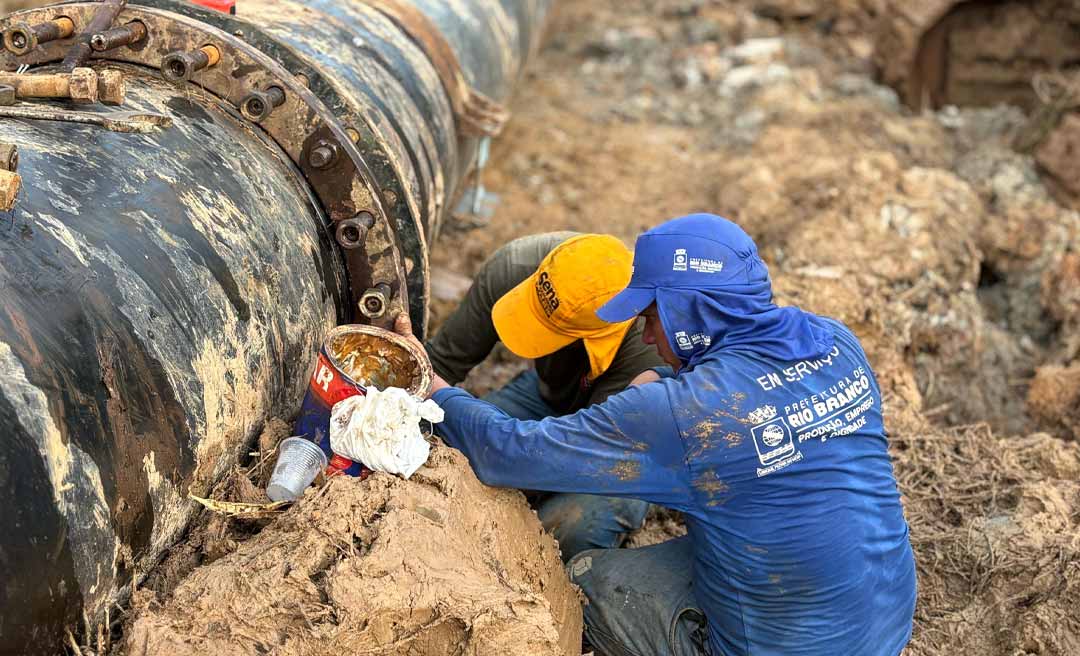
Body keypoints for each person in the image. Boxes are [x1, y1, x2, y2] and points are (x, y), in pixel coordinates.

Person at [406, 213, 917, 655]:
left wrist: (436, 392)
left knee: (583, 575)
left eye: (651, 316)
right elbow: (756, 395)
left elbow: (506, 452)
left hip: (777, 645)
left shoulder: (685, 413)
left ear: (689, 315)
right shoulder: (834, 341)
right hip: (883, 617)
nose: (647, 335)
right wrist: (671, 378)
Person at [423, 232, 666, 560]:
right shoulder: (514, 267)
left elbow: (576, 454)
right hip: (548, 394)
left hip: (621, 450)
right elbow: (438, 366)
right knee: (447, 451)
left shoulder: (649, 350)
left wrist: (500, 464)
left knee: (559, 533)